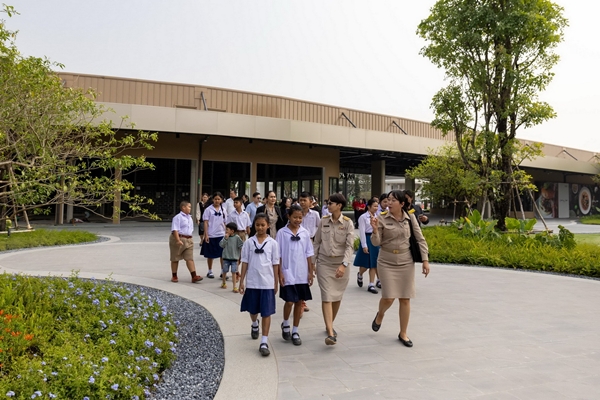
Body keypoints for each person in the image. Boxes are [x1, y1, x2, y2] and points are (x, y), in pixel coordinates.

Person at [370, 190, 430, 348]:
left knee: (405, 298)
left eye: (393, 200)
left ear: (402, 204)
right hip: (386, 261)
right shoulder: (381, 218)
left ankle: (403, 333)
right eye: (388, 200)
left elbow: (420, 239)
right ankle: (380, 314)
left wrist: (425, 260)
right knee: (389, 297)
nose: (389, 203)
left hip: (405, 261)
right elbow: (376, 243)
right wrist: (375, 230)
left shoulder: (410, 218)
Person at [313, 193, 355, 345]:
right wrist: (312, 263)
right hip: (324, 263)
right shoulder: (323, 221)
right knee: (327, 296)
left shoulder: (348, 223)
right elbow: (316, 242)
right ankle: (331, 333)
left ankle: (329, 325)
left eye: (330, 203)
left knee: (336, 297)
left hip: (341, 264)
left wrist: (344, 265)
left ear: (339, 205)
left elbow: (350, 246)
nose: (328, 205)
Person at [239, 213, 280, 357]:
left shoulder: (273, 243)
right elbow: (245, 262)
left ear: (268, 225)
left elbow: (275, 263)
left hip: (267, 283)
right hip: (252, 282)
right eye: (257, 225)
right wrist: (241, 281)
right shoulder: (249, 243)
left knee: (266, 312)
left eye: (263, 225)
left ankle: (264, 341)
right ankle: (254, 323)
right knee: (253, 309)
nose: (260, 227)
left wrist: (276, 281)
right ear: (254, 226)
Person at [276, 205, 314, 346]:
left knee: (299, 302)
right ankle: (286, 323)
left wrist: (310, 272)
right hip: (287, 271)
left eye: (300, 217)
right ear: (288, 216)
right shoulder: (282, 233)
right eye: (295, 217)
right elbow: (278, 254)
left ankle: (295, 330)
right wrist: (280, 272)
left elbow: (309, 253)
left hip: (302, 272)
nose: (298, 220)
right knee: (289, 301)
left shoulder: (305, 233)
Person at [169, 201, 203, 283]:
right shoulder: (178, 217)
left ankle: (194, 276)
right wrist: (178, 240)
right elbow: (175, 230)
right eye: (189, 207)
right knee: (175, 258)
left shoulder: (190, 218)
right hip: (179, 238)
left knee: (189, 258)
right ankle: (174, 275)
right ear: (183, 207)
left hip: (188, 239)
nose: (190, 208)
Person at [298, 191, 320, 313]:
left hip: (311, 243)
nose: (302, 202)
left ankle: (302, 300)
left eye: (304, 200)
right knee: (300, 270)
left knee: (308, 270)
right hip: (297, 243)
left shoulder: (315, 214)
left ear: (310, 202)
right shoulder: (296, 213)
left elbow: (320, 230)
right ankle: (300, 301)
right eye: (300, 200)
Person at [353, 198, 380, 294]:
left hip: (375, 238)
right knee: (366, 264)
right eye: (374, 206)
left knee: (374, 262)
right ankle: (360, 274)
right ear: (369, 207)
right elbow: (362, 232)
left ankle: (372, 283)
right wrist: (364, 245)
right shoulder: (363, 217)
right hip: (367, 238)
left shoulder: (378, 216)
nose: (376, 208)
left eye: (377, 206)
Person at [203, 191, 227, 279]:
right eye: (215, 199)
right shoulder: (208, 210)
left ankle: (222, 271)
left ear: (221, 200)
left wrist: (226, 233)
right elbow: (205, 222)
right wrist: (206, 234)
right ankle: (210, 270)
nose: (217, 201)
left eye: (219, 199)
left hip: (221, 234)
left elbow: (225, 222)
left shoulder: (223, 210)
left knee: (222, 254)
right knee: (210, 254)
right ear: (213, 199)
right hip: (211, 234)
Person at [220, 222, 244, 292]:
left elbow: (241, 245)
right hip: (226, 258)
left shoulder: (237, 238)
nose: (226, 231)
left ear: (232, 231)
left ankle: (234, 286)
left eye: (227, 229)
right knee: (224, 271)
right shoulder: (225, 237)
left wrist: (241, 255)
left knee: (234, 272)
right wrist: (225, 239)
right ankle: (223, 282)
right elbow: (221, 245)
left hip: (234, 259)